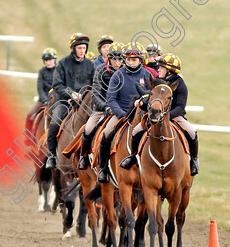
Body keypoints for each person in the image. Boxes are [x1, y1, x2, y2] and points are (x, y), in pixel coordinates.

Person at [119, 53, 199, 175]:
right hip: (155, 116)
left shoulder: (180, 84)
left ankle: (194, 160)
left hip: (174, 116)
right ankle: (132, 157)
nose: (158, 70)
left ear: (170, 71)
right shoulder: (158, 82)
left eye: (161, 68)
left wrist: (166, 117)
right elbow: (152, 103)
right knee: (136, 131)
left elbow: (180, 107)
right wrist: (142, 105)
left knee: (192, 132)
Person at [95, 42, 152, 182]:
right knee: (106, 134)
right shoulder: (117, 75)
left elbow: (153, 95)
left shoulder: (147, 75)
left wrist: (144, 104)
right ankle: (103, 169)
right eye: (129, 59)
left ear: (140, 60)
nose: (131, 62)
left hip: (143, 114)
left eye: (134, 60)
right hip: (121, 114)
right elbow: (111, 98)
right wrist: (121, 114)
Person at [45, 33, 95, 169]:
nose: (82, 51)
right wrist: (71, 93)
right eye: (79, 48)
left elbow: (95, 85)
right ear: (73, 48)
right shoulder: (62, 63)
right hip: (64, 101)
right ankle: (51, 156)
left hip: (85, 102)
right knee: (55, 122)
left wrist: (85, 96)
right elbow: (57, 84)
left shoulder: (91, 65)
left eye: (84, 48)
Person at [77, 41, 125, 170]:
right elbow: (95, 94)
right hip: (101, 109)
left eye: (121, 59)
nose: (118, 62)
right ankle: (83, 155)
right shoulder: (100, 70)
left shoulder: (125, 72)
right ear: (109, 58)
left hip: (121, 110)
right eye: (115, 59)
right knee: (88, 129)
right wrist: (105, 107)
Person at [25, 47, 57, 133]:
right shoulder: (42, 71)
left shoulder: (59, 71)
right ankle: (28, 136)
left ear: (54, 59)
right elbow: (40, 88)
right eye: (46, 60)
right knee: (30, 115)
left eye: (50, 60)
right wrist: (45, 100)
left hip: (56, 100)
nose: (47, 62)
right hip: (43, 100)